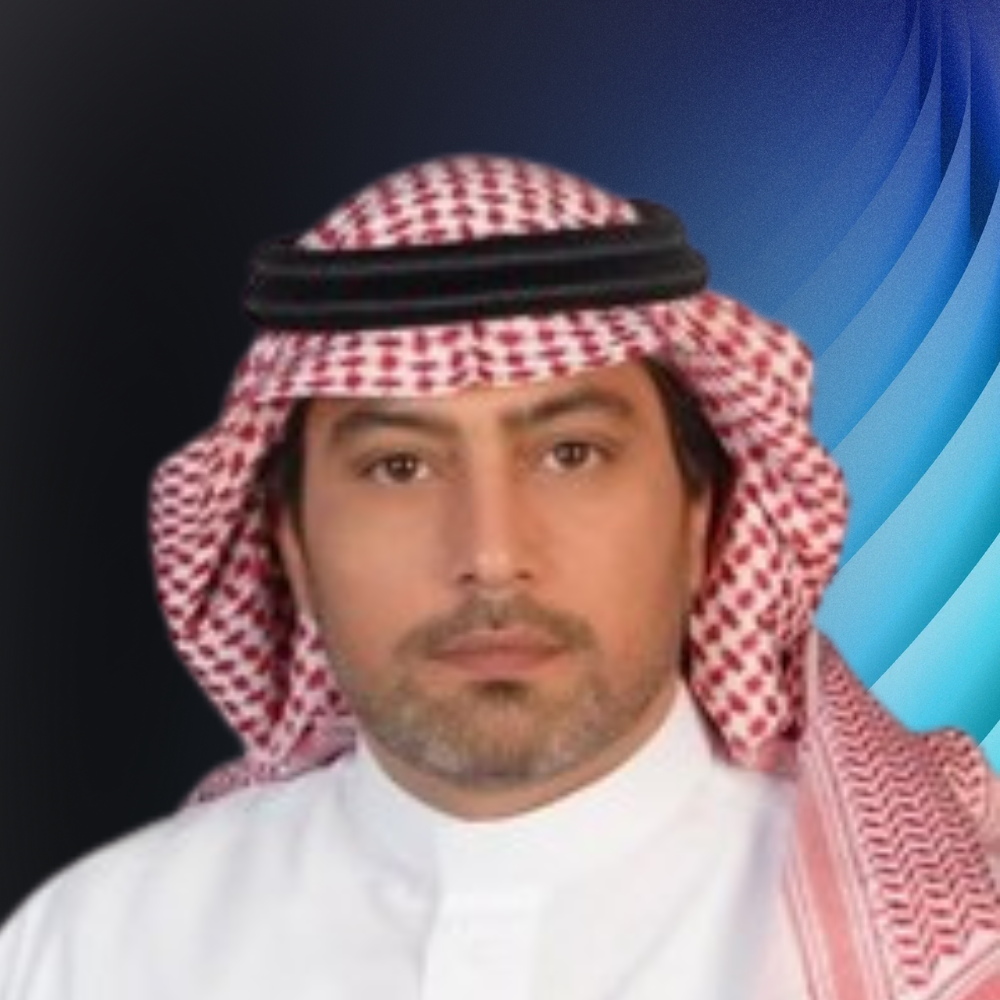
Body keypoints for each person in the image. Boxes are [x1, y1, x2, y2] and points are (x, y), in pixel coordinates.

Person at [1, 155, 998, 1000]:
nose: (488, 550)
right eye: (399, 466)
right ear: (289, 542)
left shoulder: (952, 945)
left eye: (570, 454)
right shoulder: (88, 954)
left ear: (704, 516)